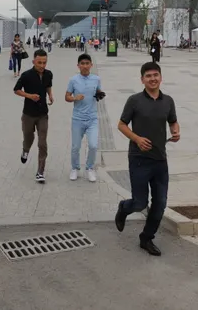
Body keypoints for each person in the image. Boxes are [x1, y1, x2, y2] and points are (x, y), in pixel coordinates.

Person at [114, 62, 180, 256]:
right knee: (139, 203)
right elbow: (121, 125)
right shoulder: (134, 100)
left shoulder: (168, 101)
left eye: (155, 75)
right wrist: (137, 139)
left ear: (161, 77)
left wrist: (176, 131)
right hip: (139, 160)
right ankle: (124, 208)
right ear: (142, 79)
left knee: (160, 203)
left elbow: (173, 121)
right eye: (148, 76)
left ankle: (146, 238)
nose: (153, 79)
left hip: (160, 160)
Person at [14, 48, 54, 184]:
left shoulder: (48, 74)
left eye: (44, 62)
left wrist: (50, 95)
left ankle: (40, 171)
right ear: (33, 61)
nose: (42, 65)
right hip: (28, 114)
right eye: (39, 63)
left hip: (43, 114)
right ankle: (25, 150)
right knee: (28, 138)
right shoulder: (26, 75)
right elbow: (16, 90)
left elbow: (48, 86)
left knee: (42, 143)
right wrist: (29, 96)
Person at [65, 53, 105, 182]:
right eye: (82, 63)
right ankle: (75, 168)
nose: (85, 66)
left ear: (91, 65)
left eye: (87, 63)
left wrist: (100, 94)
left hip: (92, 118)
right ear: (78, 65)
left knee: (93, 145)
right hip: (77, 119)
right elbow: (67, 97)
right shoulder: (73, 80)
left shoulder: (96, 79)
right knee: (75, 147)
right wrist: (74, 98)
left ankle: (89, 168)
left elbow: (98, 91)